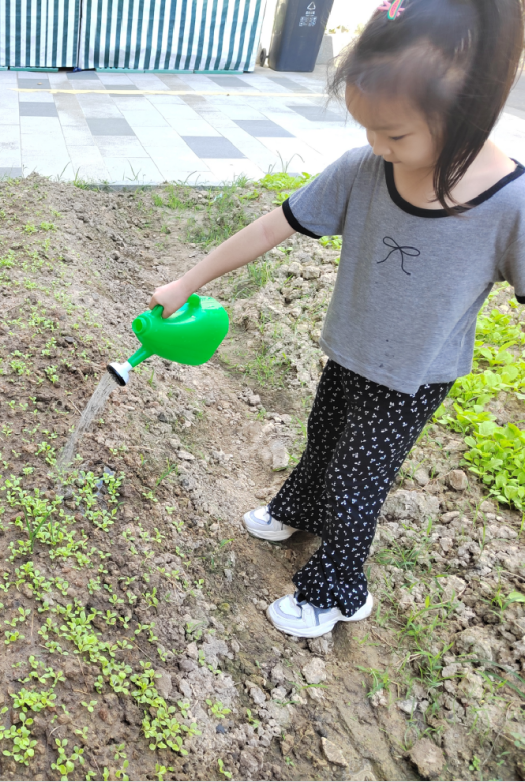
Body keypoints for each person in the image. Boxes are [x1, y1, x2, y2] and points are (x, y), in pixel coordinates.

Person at [149, 0, 525, 639]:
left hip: (410, 380)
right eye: (368, 128)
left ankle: (338, 590)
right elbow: (276, 223)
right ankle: (296, 506)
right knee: (323, 441)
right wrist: (188, 281)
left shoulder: (509, 205)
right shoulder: (364, 170)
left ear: (470, 107)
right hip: (348, 350)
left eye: (396, 134)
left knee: (356, 491)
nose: (377, 146)